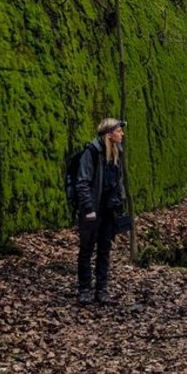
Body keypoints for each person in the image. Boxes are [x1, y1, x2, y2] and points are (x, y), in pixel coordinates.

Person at [74, 118, 126, 306]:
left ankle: (102, 290)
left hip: (109, 210)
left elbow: (118, 181)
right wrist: (88, 208)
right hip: (92, 211)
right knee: (86, 250)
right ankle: (84, 290)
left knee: (104, 250)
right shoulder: (92, 152)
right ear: (109, 134)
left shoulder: (117, 153)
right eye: (119, 131)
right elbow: (83, 182)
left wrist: (120, 203)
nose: (122, 134)